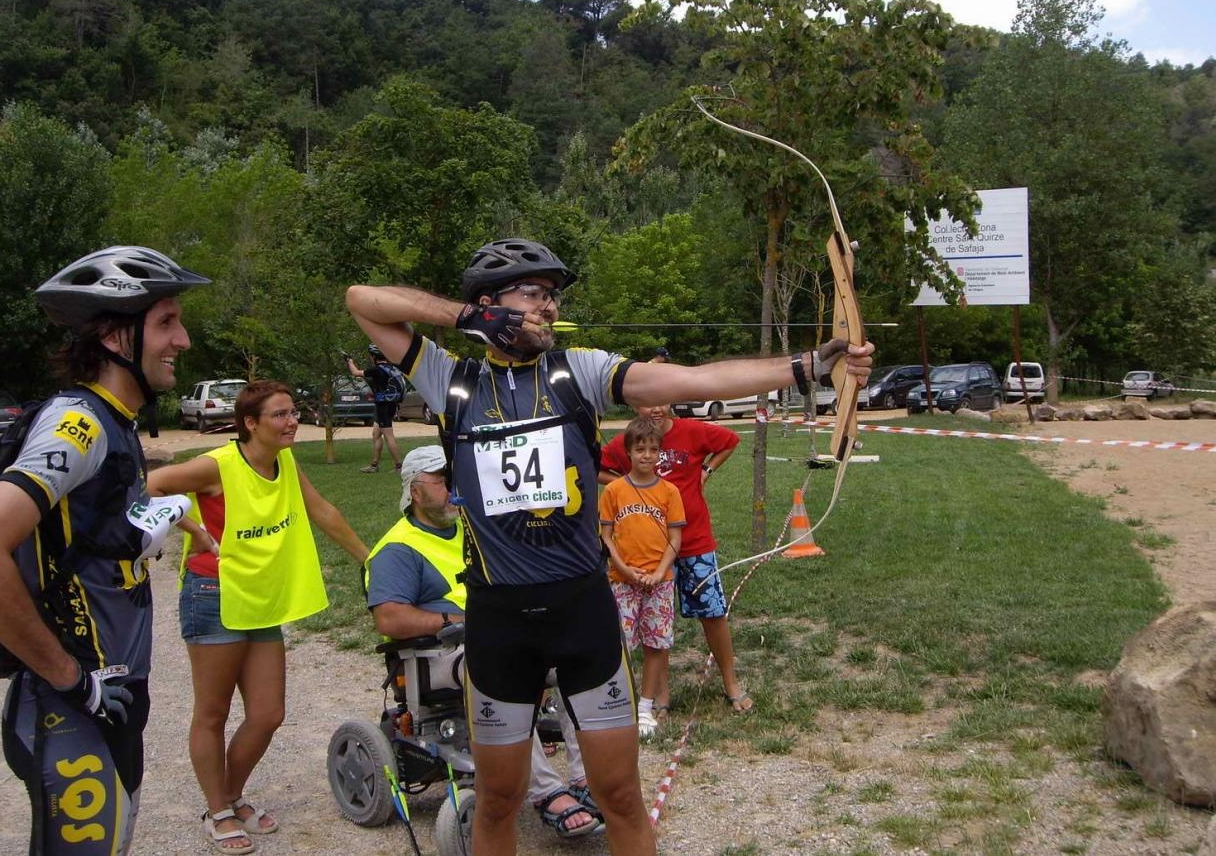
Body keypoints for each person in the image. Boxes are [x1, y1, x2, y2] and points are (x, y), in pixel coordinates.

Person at [345, 237, 874, 856]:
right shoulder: (447, 378)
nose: (548, 307)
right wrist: (466, 318)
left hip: (582, 611)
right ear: (489, 303)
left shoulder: (580, 371)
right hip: (499, 618)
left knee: (620, 794)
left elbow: (695, 378)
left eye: (554, 296)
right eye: (534, 294)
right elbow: (363, 301)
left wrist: (807, 365)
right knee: (497, 802)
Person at [0, 246, 208, 856]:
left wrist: (174, 514)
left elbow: (96, 536)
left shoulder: (116, 423)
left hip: (108, 694)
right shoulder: (78, 425)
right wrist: (71, 679)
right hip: (70, 702)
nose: (182, 339)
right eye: (166, 322)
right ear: (112, 334)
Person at [147, 380, 370, 855]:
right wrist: (192, 526)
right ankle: (219, 809)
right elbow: (149, 486)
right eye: (280, 415)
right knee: (213, 712)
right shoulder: (218, 465)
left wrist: (369, 560)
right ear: (251, 423)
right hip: (214, 594)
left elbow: (322, 512)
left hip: (262, 599)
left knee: (268, 713)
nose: (292, 422)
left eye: (294, 412)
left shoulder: (285, 461)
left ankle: (229, 794)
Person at [365, 446, 603, 839]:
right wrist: (459, 619)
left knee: (577, 660)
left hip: (498, 636)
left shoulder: (476, 529)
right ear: (415, 490)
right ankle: (546, 792)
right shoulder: (398, 548)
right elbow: (389, 617)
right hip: (439, 653)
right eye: (442, 482)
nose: (453, 490)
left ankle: (585, 779)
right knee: (508, 670)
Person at [600, 400, 749, 713]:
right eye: (647, 403)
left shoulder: (692, 430)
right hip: (650, 553)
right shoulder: (629, 440)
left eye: (662, 401)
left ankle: (730, 682)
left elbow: (730, 441)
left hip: (694, 542)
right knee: (658, 622)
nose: (655, 409)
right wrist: (625, 485)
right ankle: (661, 696)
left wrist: (706, 470)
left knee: (713, 612)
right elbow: (595, 466)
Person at [598, 417, 685, 739]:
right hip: (622, 580)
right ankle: (622, 703)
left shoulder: (669, 492)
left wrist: (660, 573)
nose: (647, 456)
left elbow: (675, 539)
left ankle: (646, 706)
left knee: (656, 643)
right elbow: (606, 537)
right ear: (628, 452)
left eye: (653, 449)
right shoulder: (614, 491)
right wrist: (623, 569)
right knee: (620, 645)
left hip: (659, 582)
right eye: (640, 449)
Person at [345, 344, 405, 474]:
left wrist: (349, 361)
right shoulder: (392, 368)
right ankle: (374, 465)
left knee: (388, 436)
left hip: (384, 406)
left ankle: (400, 467)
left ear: (374, 356)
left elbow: (356, 373)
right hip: (389, 404)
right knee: (376, 434)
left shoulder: (377, 370)